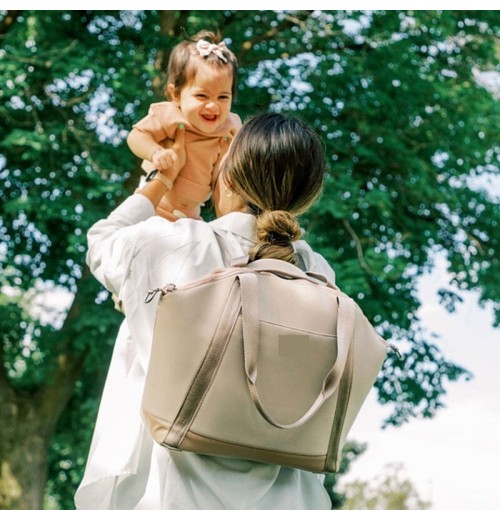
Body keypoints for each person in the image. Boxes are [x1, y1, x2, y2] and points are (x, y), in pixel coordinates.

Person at [75, 112, 335, 510]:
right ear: (307, 196)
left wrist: (160, 179)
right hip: (291, 501)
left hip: (172, 494)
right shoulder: (318, 275)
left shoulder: (172, 246)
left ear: (228, 174)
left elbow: (101, 241)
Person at [127, 30, 241, 221]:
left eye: (223, 97)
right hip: (154, 204)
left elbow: (223, 175)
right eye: (201, 96)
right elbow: (136, 136)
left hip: (191, 215)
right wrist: (155, 152)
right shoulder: (171, 116)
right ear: (176, 95)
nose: (213, 105)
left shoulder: (230, 127)